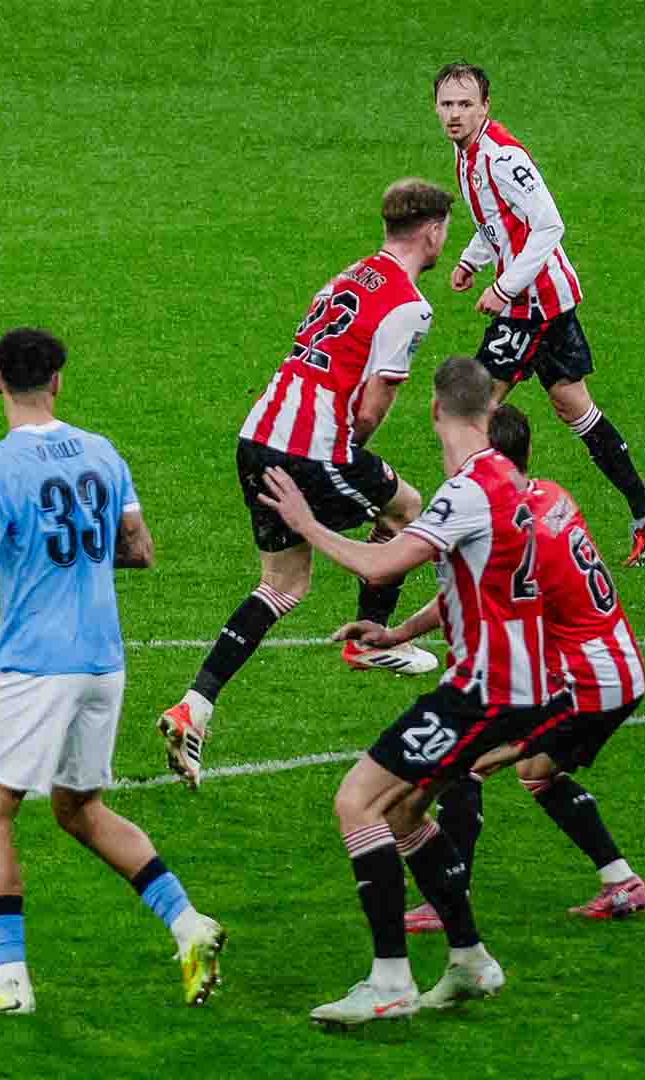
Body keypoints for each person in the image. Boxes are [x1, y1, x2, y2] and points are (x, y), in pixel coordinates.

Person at [0, 328, 226, 1015]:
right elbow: (139, 550)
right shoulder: (103, 453)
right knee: (79, 808)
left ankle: (11, 980)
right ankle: (190, 925)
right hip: (104, 661)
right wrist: (73, 556)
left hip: (37, 667)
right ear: (58, 382)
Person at [258, 355, 559, 1027]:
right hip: (516, 685)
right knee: (403, 815)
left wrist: (306, 524)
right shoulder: (508, 480)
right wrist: (398, 635)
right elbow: (476, 582)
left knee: (357, 800)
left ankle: (388, 980)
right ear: (488, 411)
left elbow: (382, 559)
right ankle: (470, 962)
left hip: (482, 692)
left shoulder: (467, 491)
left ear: (433, 409)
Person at [159, 179, 456, 792]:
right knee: (406, 510)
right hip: (309, 449)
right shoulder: (410, 306)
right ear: (432, 229)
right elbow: (372, 407)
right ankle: (370, 639)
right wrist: (348, 458)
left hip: (257, 433)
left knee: (283, 584)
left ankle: (195, 707)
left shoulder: (353, 273)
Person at [336, 404, 645, 933]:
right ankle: (621, 881)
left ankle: (446, 899)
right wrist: (398, 636)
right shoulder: (552, 497)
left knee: (467, 761)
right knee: (536, 771)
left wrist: (398, 632)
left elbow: (470, 598)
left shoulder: (510, 525)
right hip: (618, 664)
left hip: (586, 682)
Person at [431, 62, 645, 566]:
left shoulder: (502, 156)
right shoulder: (466, 151)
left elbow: (549, 224)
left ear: (486, 107)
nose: (455, 113)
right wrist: (473, 257)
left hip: (531, 307)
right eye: (447, 104)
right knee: (573, 406)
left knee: (466, 414)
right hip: (543, 302)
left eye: (466, 104)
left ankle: (473, 534)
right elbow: (499, 219)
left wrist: (504, 286)